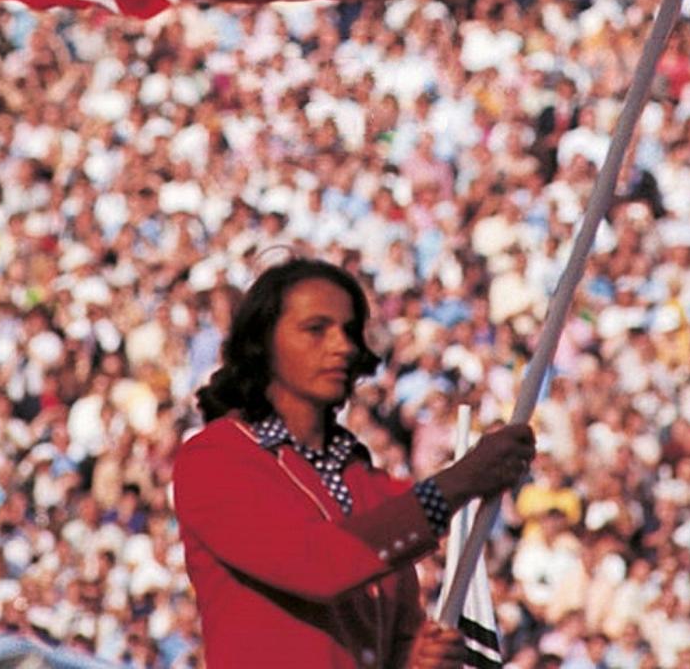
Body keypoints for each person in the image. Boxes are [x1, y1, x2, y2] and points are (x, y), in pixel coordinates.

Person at [173, 258, 535, 669]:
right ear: (264, 344)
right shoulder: (215, 459)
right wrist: (456, 484)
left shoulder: (369, 482)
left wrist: (418, 659)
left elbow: (394, 638)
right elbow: (316, 565)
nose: (342, 345)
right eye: (315, 329)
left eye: (349, 331)